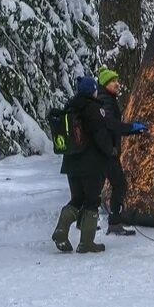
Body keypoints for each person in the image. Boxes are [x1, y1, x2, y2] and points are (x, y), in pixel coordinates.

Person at [50, 76, 114, 253]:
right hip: (91, 164)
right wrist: (111, 150)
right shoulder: (94, 108)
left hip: (71, 163)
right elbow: (100, 134)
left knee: (77, 199)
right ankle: (87, 242)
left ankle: (61, 230)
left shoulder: (70, 107)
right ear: (92, 90)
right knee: (92, 201)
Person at [95, 67, 148, 236]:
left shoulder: (106, 99)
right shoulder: (106, 101)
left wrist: (131, 130)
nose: (117, 84)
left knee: (96, 188)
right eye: (113, 81)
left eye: (117, 80)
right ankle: (114, 223)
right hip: (107, 153)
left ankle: (87, 222)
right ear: (105, 84)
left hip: (106, 152)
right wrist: (131, 127)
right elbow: (111, 125)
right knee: (119, 185)